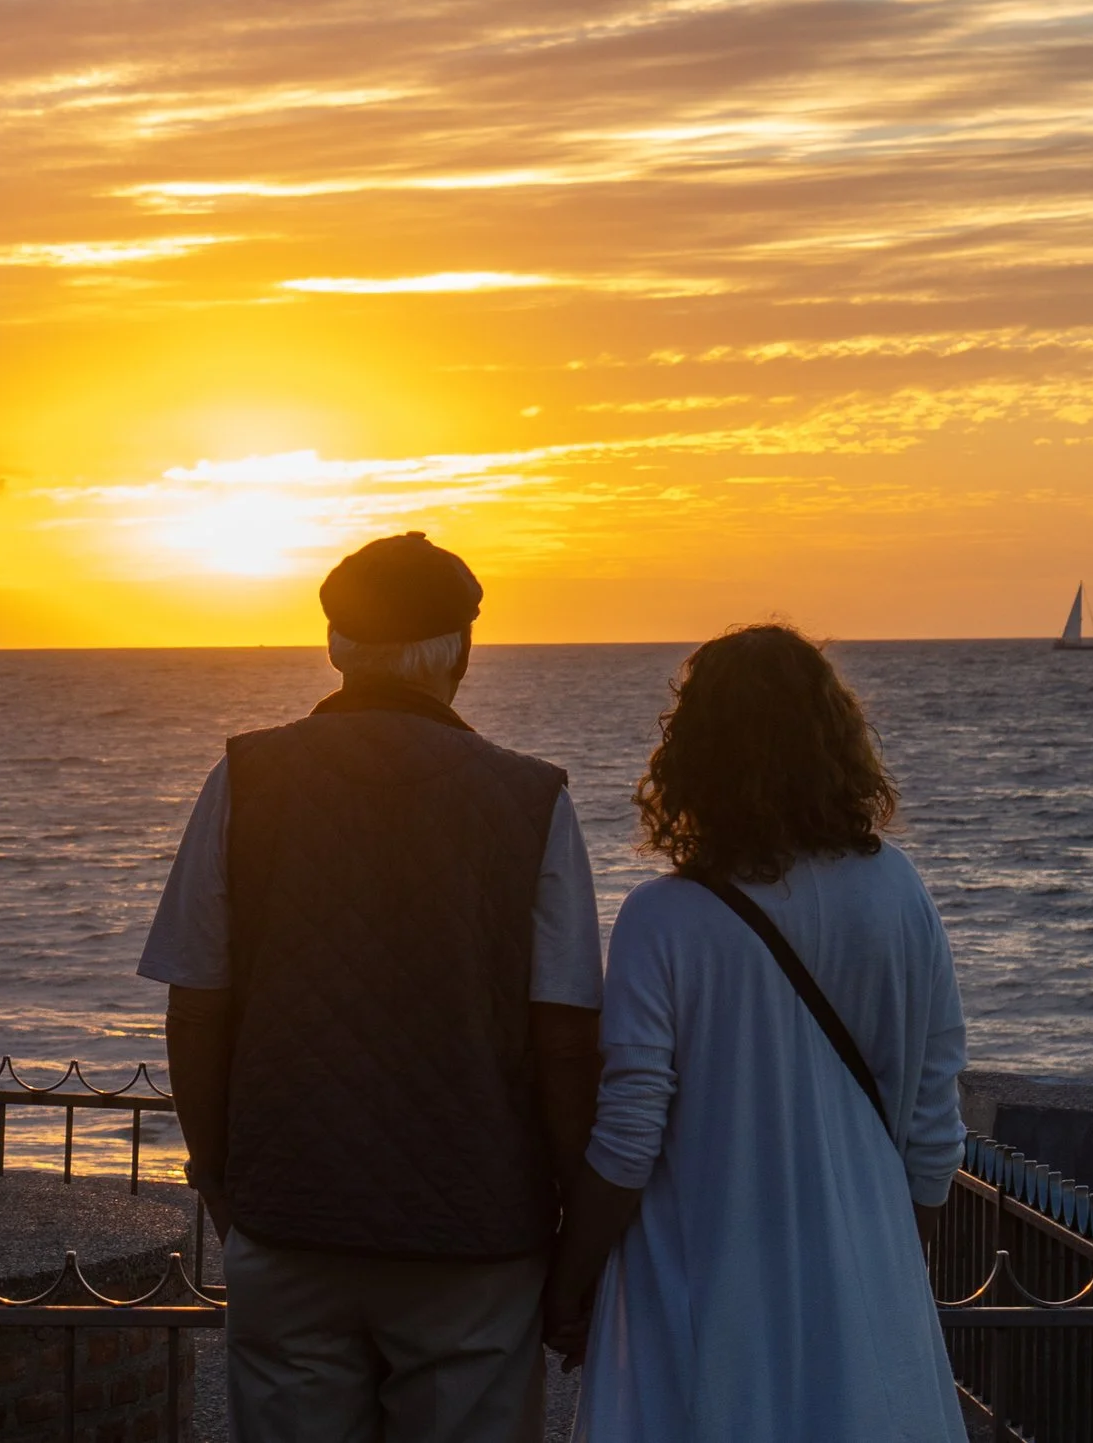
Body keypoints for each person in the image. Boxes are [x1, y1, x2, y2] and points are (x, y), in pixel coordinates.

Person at [139, 532, 605, 1443]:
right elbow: (564, 1034)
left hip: (293, 1216)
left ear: (334, 646)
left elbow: (195, 1007)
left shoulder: (246, 776)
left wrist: (221, 1178)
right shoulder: (532, 800)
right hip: (476, 1231)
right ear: (461, 654)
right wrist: (569, 1217)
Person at [546, 624, 969, 1442]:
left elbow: (630, 1136)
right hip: (865, 1292)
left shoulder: (662, 920)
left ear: (694, 757)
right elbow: (932, 1118)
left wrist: (570, 1287)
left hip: (703, 1288)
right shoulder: (899, 894)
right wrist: (879, 1257)